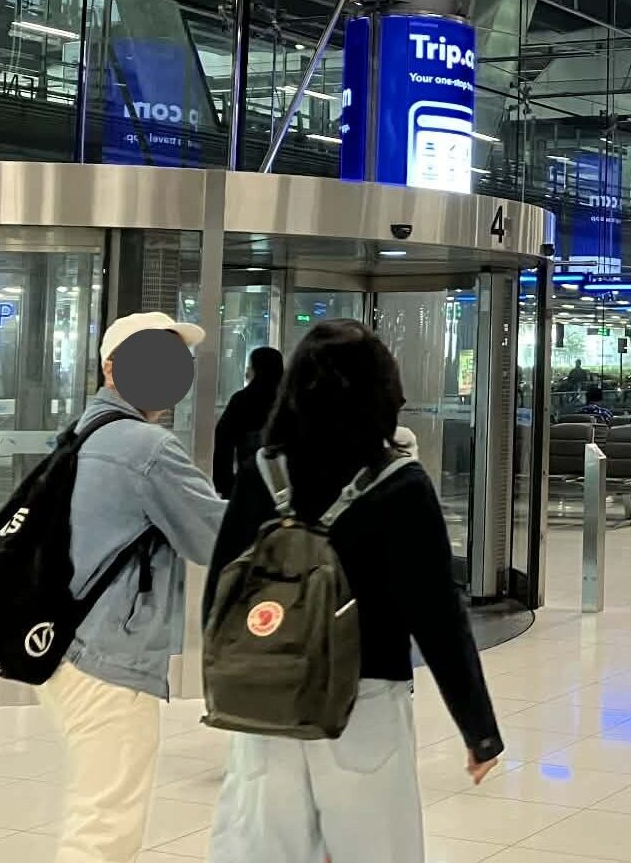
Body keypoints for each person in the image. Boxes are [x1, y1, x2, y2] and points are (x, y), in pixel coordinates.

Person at [207, 320, 502, 863]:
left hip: (269, 700)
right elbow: (438, 617)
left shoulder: (261, 473)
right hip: (363, 700)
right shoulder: (400, 485)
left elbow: (220, 594)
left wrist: (235, 676)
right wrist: (478, 729)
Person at [44, 311, 226, 863]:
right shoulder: (146, 447)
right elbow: (214, 536)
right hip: (109, 657)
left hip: (64, 643)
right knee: (105, 826)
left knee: (99, 810)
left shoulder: (81, 432)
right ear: (111, 368)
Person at [213, 347, 283, 498]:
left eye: (250, 367)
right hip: (284, 484)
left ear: (256, 369)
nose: (247, 372)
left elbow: (223, 442)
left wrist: (224, 484)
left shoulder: (242, 400)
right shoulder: (289, 401)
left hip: (249, 481)